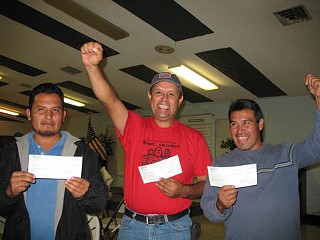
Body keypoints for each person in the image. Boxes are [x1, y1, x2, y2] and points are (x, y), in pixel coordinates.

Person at [80, 42, 212, 240]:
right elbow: (109, 100)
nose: (164, 99)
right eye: (158, 92)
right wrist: (92, 67)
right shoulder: (134, 126)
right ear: (150, 96)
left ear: (180, 100)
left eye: (171, 94)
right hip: (134, 227)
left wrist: (183, 190)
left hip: (175, 228)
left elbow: (206, 184)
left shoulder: (194, 138)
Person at [200, 74, 320, 240]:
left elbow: (316, 148)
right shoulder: (221, 164)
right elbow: (209, 211)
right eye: (234, 124)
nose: (239, 130)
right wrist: (220, 204)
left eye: (246, 122)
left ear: (260, 124)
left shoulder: (286, 154)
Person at [0, 83, 108, 240]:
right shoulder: (11, 151)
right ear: (29, 114)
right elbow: (2, 208)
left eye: (55, 110)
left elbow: (99, 204)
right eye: (41, 109)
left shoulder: (82, 152)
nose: (48, 116)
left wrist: (86, 193)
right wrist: (9, 192)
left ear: (64, 115)